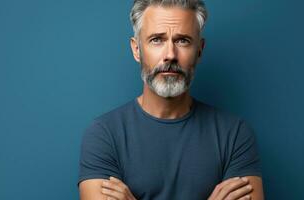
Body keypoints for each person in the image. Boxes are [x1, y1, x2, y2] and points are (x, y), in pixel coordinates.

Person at [77, 0, 264, 199]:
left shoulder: (234, 134)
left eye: (183, 40)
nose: (170, 55)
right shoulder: (104, 135)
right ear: (136, 49)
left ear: (199, 50)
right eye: (157, 39)